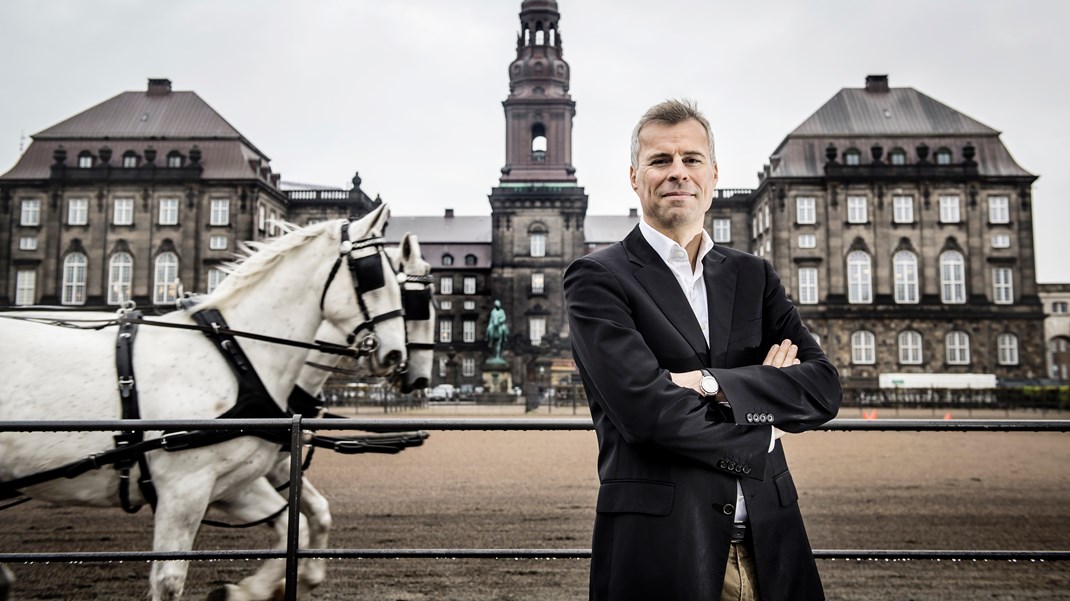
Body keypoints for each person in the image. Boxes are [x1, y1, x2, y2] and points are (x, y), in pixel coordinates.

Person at [563, 99, 842, 601]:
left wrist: (711, 383)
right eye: (659, 160)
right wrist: (764, 423)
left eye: (691, 160)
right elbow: (647, 414)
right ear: (634, 177)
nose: (677, 173)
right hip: (661, 548)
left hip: (773, 542)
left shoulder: (754, 275)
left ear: (713, 175)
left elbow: (822, 388)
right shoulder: (598, 277)